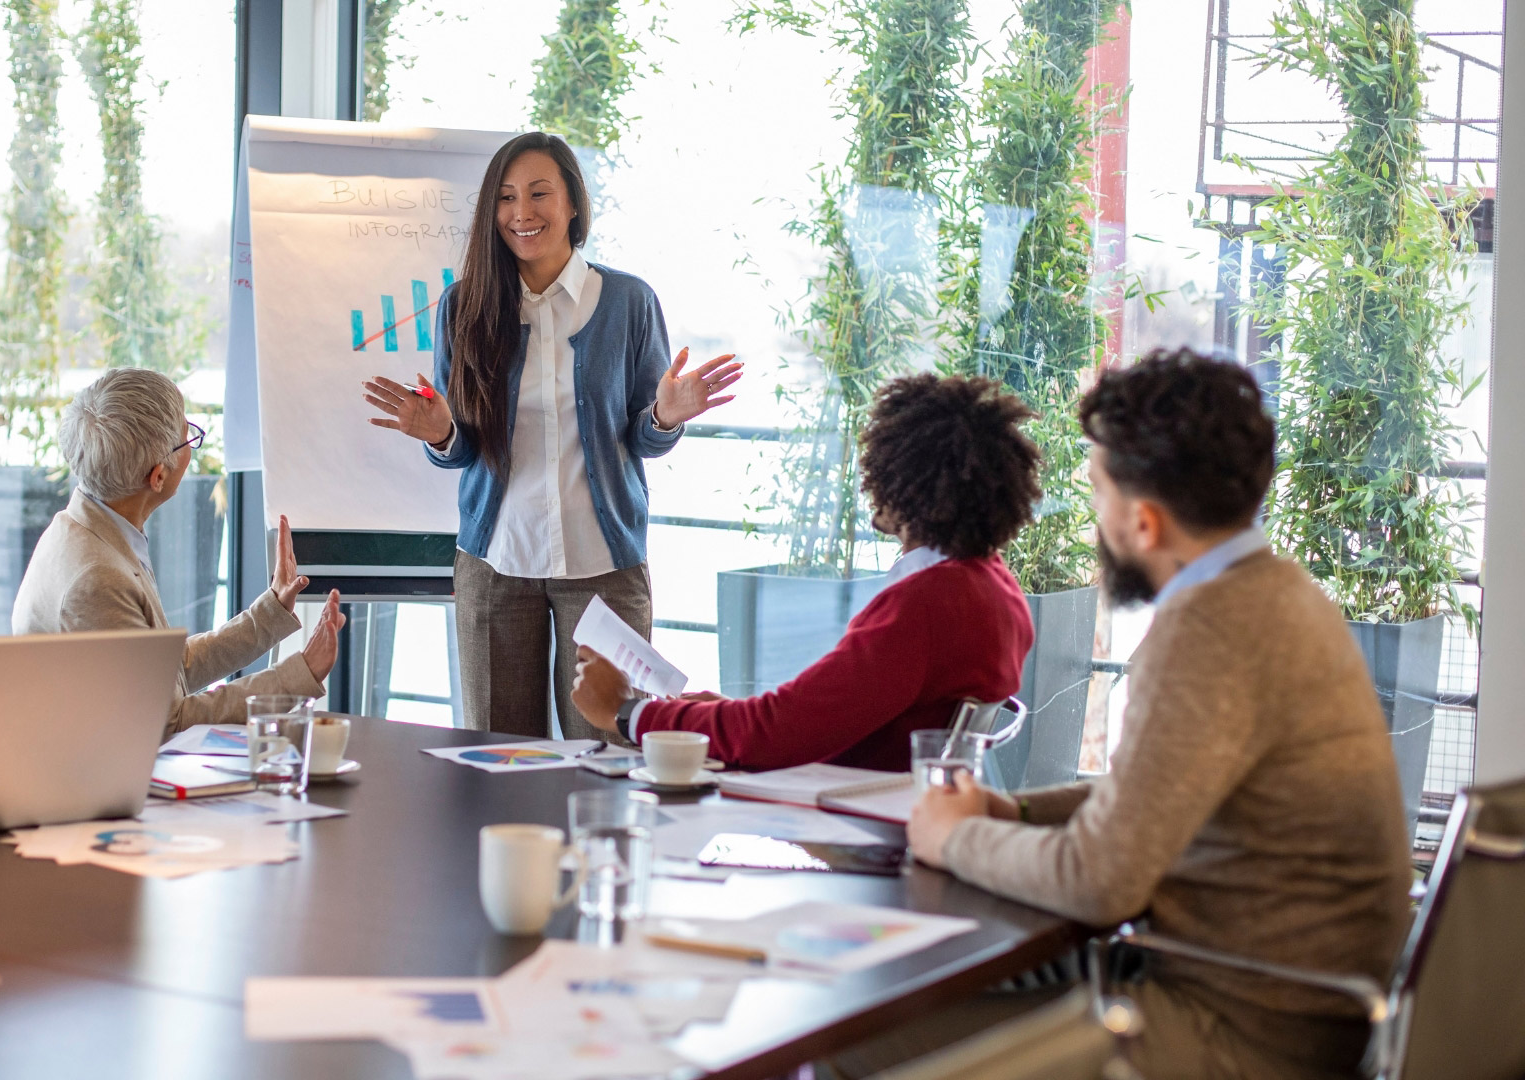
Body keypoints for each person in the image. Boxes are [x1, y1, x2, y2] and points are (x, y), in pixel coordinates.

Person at [904, 350, 1410, 1080]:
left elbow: (1098, 880)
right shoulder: (1280, 592)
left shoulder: (1206, 631)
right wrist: (1007, 813)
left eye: (1097, 495)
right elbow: (1155, 787)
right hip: (1308, 1011)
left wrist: (954, 839)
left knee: (861, 1043)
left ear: (1142, 521)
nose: (1094, 520)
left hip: (1240, 1035)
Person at [362, 130, 741, 741]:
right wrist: (438, 433)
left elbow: (643, 438)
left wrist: (666, 415)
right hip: (496, 562)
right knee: (495, 755)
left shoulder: (628, 301)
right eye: (507, 198)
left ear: (572, 205)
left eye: (540, 193)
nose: (522, 212)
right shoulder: (464, 306)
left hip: (603, 566)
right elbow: (461, 448)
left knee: (608, 753)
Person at [571, 373, 1037, 771]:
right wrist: (732, 714)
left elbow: (776, 734)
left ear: (906, 484)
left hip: (849, 815)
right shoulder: (994, 586)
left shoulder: (925, 607)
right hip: (884, 803)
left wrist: (626, 712)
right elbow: (814, 717)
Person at [13, 368, 345, 739]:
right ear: (157, 477)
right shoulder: (98, 578)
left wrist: (271, 613)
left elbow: (163, 673)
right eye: (187, 436)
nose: (191, 443)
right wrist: (303, 674)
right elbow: (167, 722)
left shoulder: (82, 527)